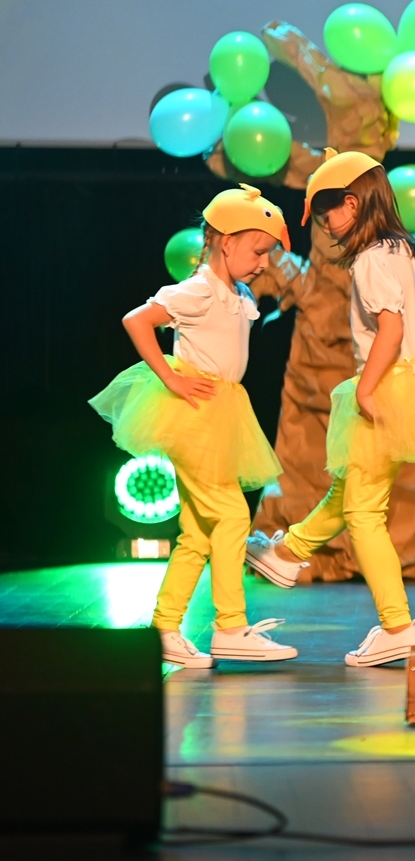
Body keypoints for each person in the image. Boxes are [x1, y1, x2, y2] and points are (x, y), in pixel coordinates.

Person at [246, 150, 415, 666]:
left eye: (327, 215)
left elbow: (391, 327)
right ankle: (289, 553)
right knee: (352, 486)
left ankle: (396, 626)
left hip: (384, 385)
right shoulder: (412, 253)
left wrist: (369, 388)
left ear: (352, 203)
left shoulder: (369, 260)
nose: (325, 227)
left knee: (364, 512)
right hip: (412, 382)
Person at [91, 185, 299, 668]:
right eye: (257, 251)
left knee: (198, 533)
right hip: (196, 415)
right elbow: (137, 320)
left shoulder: (237, 293)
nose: (263, 263)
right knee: (231, 516)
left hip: (221, 413)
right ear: (225, 242)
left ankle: (165, 628)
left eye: (267, 253)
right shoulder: (199, 289)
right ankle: (231, 627)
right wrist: (171, 378)